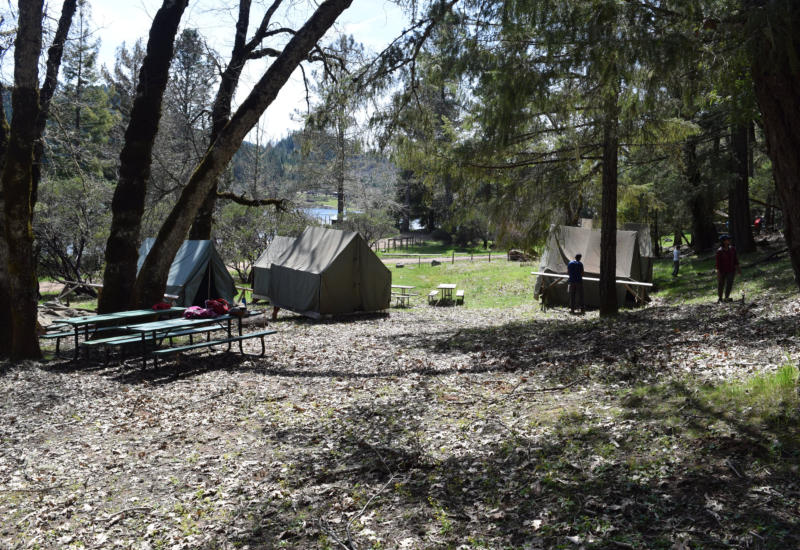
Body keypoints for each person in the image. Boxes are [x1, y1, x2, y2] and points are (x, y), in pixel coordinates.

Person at [715, 235, 741, 302]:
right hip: (722, 271)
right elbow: (718, 263)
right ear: (723, 241)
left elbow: (735, 260)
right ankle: (720, 298)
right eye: (727, 239)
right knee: (721, 284)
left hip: (731, 270)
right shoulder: (719, 251)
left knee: (729, 283)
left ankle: (726, 297)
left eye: (729, 239)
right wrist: (718, 272)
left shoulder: (732, 249)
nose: (729, 240)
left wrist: (738, 269)